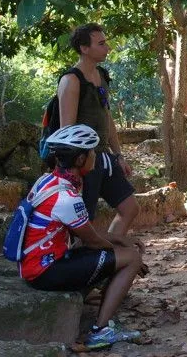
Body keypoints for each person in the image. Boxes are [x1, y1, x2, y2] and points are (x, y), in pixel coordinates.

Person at [20, 124, 146, 349]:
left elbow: (86, 233)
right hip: (46, 272)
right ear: (80, 160)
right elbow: (93, 240)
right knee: (132, 259)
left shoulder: (47, 182)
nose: (95, 157)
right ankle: (101, 330)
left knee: (121, 253)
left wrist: (121, 241)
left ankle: (99, 304)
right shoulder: (68, 197)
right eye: (91, 152)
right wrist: (125, 252)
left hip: (36, 265)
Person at [58, 23, 137, 237]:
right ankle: (86, 265)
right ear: (84, 48)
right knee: (84, 222)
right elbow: (67, 132)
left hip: (104, 158)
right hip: (83, 162)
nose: (108, 48)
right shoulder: (71, 81)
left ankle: (110, 255)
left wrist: (118, 155)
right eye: (101, 44)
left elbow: (107, 116)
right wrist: (78, 169)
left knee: (129, 208)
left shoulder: (102, 76)